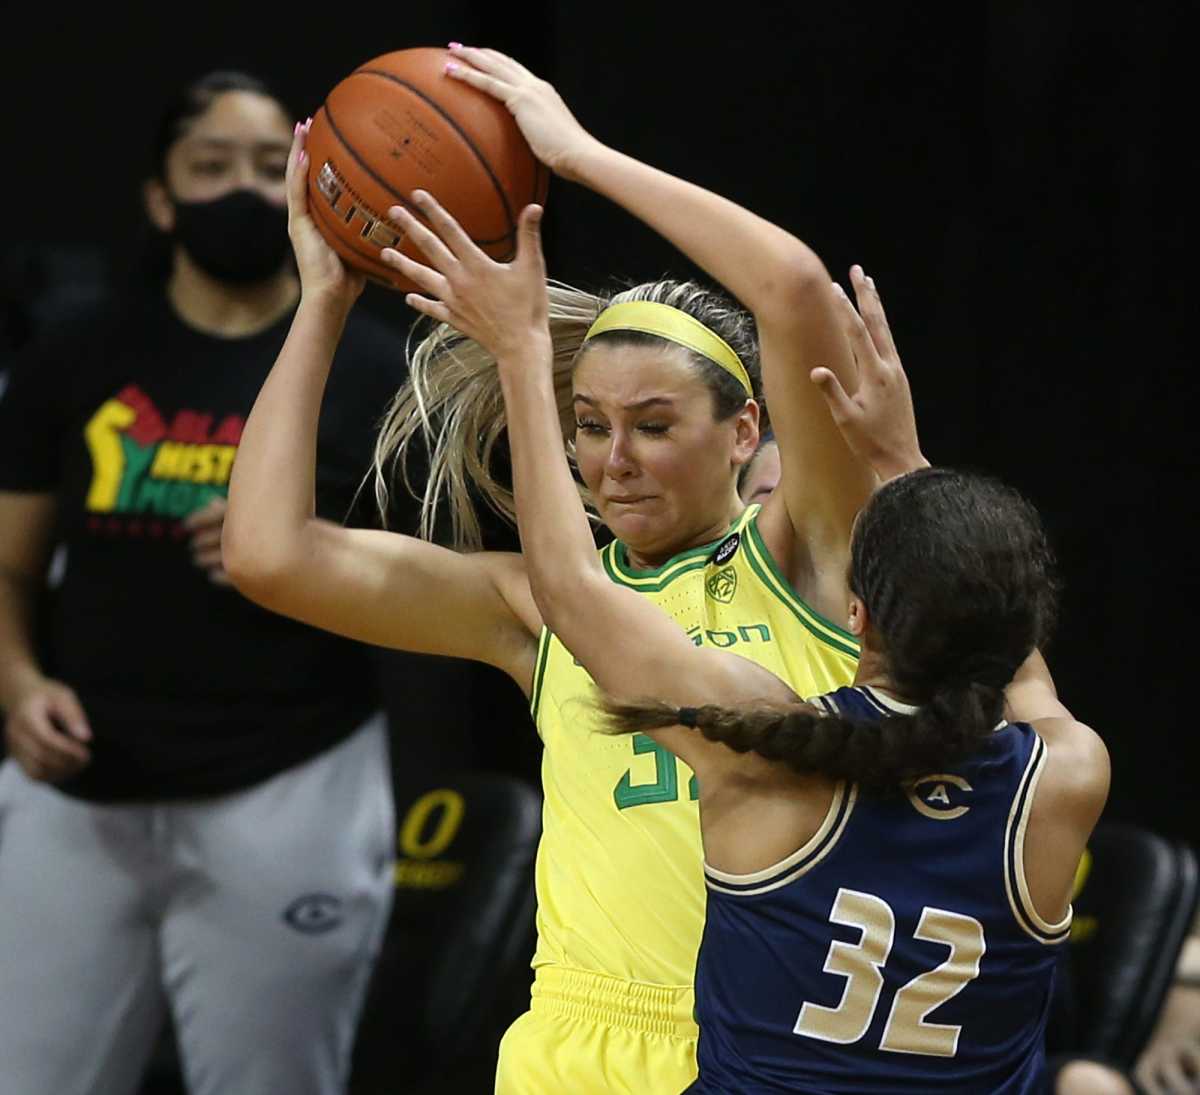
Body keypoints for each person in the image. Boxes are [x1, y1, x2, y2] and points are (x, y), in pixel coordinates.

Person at [224, 46, 894, 1094]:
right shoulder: (535, 609)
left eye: (654, 424)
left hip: (760, 1038)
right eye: (588, 425)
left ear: (742, 432)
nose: (613, 460)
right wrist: (324, 299)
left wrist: (577, 157)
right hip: (573, 1040)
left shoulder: (813, 555)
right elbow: (267, 555)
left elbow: (796, 287)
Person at [382, 175, 1110, 1090]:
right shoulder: (1064, 774)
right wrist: (900, 460)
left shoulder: (769, 753)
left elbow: (568, 589)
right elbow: (1021, 670)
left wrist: (525, 352)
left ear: (857, 617)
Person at [0, 71, 406, 1095]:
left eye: (273, 168)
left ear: (312, 188)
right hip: (78, 784)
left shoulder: (379, 374)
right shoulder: (76, 353)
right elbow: (5, 564)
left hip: (289, 778)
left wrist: (301, 550)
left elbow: (449, 592)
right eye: (210, 166)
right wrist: (15, 686)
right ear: (159, 196)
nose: (242, 189)